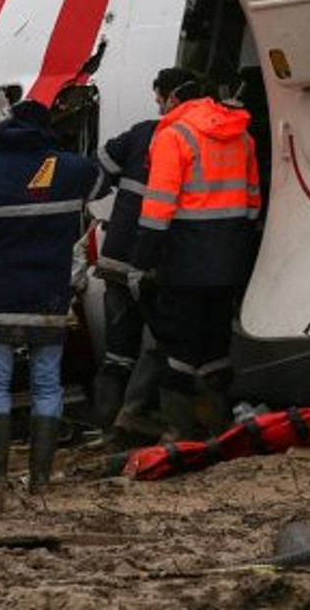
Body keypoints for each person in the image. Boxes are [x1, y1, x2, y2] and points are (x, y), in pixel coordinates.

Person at [0, 100, 107, 491]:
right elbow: (102, 181)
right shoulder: (70, 168)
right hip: (49, 296)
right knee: (48, 384)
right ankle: (40, 478)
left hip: (2, 295)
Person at [133, 80, 260, 438]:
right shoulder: (243, 137)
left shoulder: (175, 136)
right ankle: (217, 423)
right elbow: (253, 204)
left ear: (174, 102)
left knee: (177, 345)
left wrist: (142, 261)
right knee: (216, 342)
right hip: (228, 260)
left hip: (185, 261)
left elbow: (157, 208)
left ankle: (179, 428)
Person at [93, 67, 199, 447]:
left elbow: (99, 168)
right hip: (153, 260)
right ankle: (133, 418)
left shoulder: (140, 134)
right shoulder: (192, 141)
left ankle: (111, 430)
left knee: (118, 350)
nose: (158, 106)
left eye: (160, 98)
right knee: (164, 343)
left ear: (172, 97)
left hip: (117, 257)